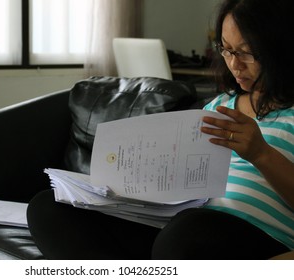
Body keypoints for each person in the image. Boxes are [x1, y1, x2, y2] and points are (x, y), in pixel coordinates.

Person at [27, 0, 294, 259]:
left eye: (246, 52)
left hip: (249, 237)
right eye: (226, 50)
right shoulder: (221, 104)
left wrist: (261, 155)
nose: (234, 64)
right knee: (49, 207)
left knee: (187, 233)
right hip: (177, 225)